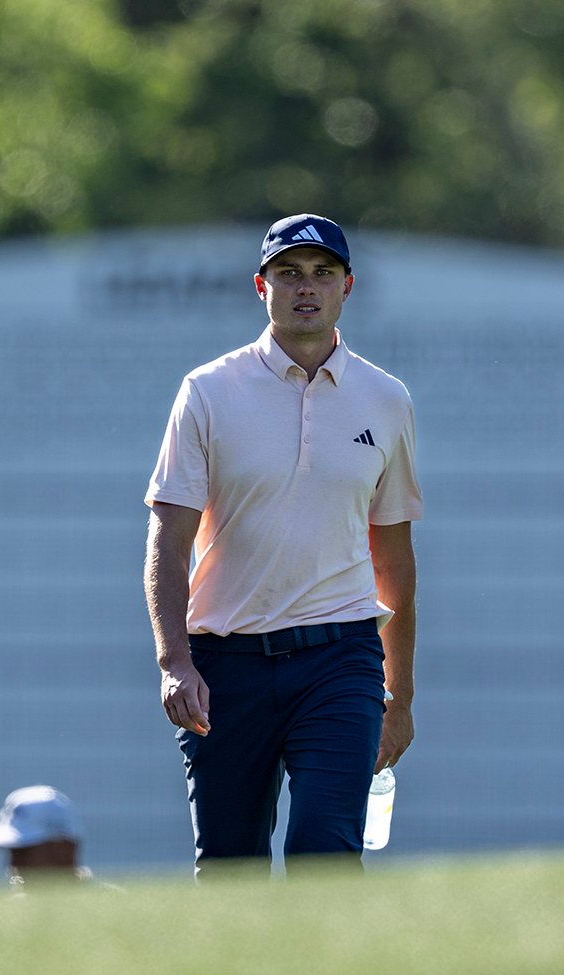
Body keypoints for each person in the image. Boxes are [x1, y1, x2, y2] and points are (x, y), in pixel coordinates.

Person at [143, 213, 422, 877]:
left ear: (346, 287)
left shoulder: (385, 399)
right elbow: (169, 538)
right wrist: (174, 660)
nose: (306, 287)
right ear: (260, 286)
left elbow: (394, 561)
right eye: (288, 273)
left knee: (326, 851)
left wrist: (401, 697)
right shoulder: (208, 391)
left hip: (341, 659)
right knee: (230, 867)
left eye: (322, 274)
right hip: (225, 665)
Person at [0, 785, 106, 891]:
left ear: (64, 848)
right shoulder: (7, 914)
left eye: (24, 852)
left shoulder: (107, 909)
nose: (13, 864)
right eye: (11, 852)